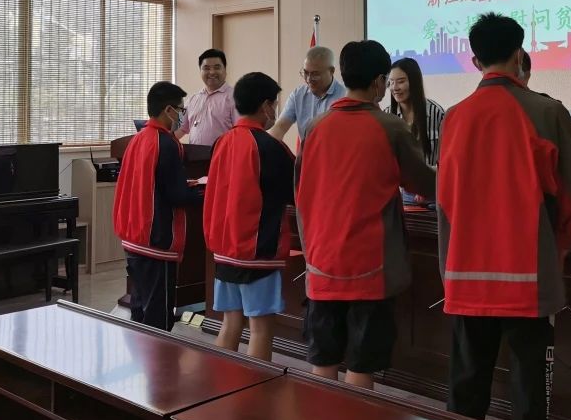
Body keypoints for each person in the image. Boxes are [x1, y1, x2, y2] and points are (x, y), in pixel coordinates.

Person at [437, 13, 571, 420]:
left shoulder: (454, 117)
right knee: (529, 396)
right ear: (519, 55)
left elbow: (445, 201)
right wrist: (558, 248)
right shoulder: (547, 111)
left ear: (475, 61)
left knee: (466, 390)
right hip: (529, 275)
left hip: (466, 274)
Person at [295, 40, 435, 389]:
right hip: (370, 268)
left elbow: (301, 189)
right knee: (361, 365)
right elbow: (425, 184)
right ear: (377, 82)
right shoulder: (390, 127)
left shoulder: (315, 127)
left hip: (321, 263)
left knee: (323, 362)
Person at [204, 72, 295, 362]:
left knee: (230, 324)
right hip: (257, 250)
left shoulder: (222, 141)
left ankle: (222, 384)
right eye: (275, 105)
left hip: (224, 248)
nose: (275, 111)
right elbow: (297, 192)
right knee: (260, 330)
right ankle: (255, 389)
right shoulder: (271, 147)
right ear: (265, 105)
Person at [113, 82, 203, 330]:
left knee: (140, 309)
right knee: (158, 317)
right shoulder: (166, 143)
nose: (182, 115)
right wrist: (203, 195)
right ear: (168, 110)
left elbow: (151, 182)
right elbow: (176, 195)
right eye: (181, 110)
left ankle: (140, 354)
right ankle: (158, 356)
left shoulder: (139, 138)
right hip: (156, 241)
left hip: (134, 237)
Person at [268, 46, 346, 144]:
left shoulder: (344, 95)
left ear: (331, 71)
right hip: (306, 153)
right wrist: (267, 144)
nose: (309, 79)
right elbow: (280, 127)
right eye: (305, 73)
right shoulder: (298, 95)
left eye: (315, 74)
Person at [387, 57, 445, 166]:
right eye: (391, 82)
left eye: (400, 82)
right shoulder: (387, 115)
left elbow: (447, 155)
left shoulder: (436, 113)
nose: (395, 88)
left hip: (431, 176)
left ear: (414, 82)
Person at [175, 49, 236, 145]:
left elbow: (241, 133)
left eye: (217, 67)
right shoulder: (192, 100)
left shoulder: (235, 98)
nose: (212, 72)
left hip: (223, 154)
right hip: (194, 154)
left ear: (225, 70)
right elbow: (179, 128)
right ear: (200, 71)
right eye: (206, 68)